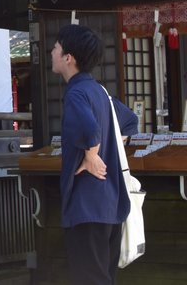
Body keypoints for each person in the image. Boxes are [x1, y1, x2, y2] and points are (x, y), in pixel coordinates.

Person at [50, 24, 138, 284]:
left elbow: (89, 130)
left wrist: (92, 154)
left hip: (87, 204)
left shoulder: (76, 92)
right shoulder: (100, 91)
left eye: (56, 48)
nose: (52, 52)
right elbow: (130, 120)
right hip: (110, 203)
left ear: (69, 57)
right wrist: (109, 144)